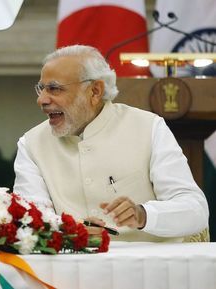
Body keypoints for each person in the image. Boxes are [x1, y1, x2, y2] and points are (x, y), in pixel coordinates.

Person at [13, 45, 209, 242]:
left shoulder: (148, 127)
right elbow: (29, 219)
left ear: (95, 91)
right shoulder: (31, 144)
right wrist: (68, 231)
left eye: (54, 88)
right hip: (71, 267)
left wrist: (143, 215)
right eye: (41, 88)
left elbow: (195, 209)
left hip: (150, 266)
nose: (42, 100)